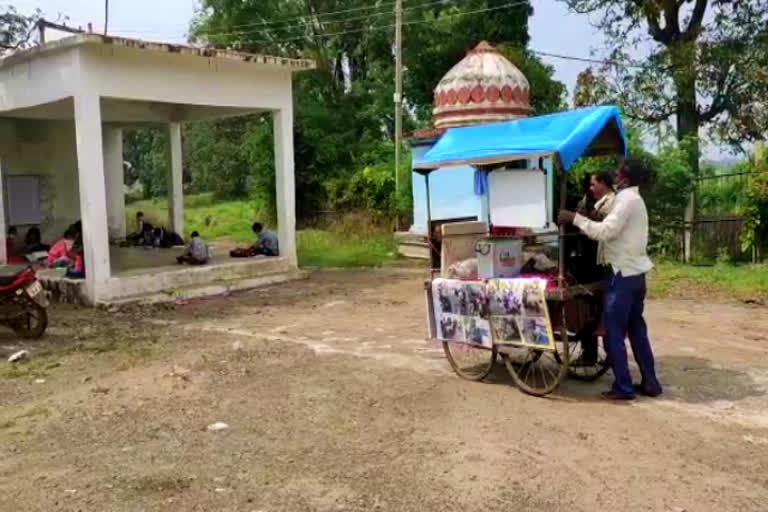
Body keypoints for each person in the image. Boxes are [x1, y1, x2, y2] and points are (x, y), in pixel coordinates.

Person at [558, 159, 662, 401]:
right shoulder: (635, 200)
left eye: (618, 173)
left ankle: (623, 388)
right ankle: (651, 383)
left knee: (613, 332)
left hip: (622, 275)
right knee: (637, 330)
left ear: (624, 178)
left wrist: (574, 218)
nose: (615, 176)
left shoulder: (626, 200)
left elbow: (605, 232)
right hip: (636, 274)